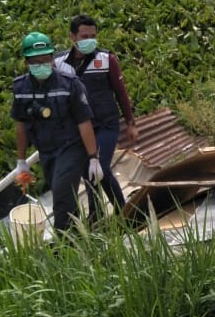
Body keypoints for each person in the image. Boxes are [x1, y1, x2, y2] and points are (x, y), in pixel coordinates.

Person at [11, 31, 103, 231]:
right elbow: (21, 125)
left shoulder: (70, 84)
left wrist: (93, 158)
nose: (41, 65)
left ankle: (65, 242)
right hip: (46, 150)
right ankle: (78, 233)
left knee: (61, 194)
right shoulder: (21, 88)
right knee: (62, 194)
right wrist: (21, 161)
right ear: (26, 63)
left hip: (71, 147)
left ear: (53, 59)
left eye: (45, 60)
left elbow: (84, 122)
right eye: (36, 61)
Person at [55, 15, 138, 221]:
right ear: (72, 36)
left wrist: (130, 123)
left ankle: (124, 211)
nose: (89, 40)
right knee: (87, 170)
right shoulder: (59, 64)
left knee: (101, 167)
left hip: (106, 124)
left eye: (93, 36)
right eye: (84, 36)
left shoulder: (106, 59)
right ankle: (96, 213)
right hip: (80, 127)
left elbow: (121, 93)